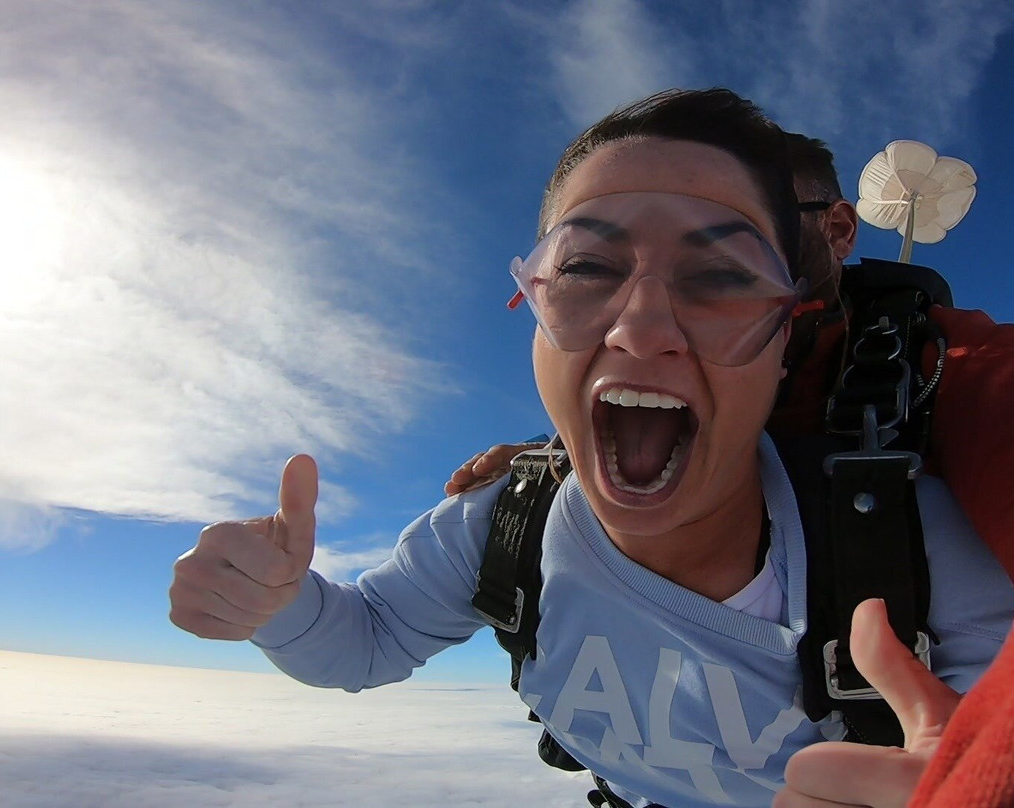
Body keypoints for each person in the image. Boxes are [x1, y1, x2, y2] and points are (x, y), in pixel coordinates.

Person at [168, 89, 1014, 808]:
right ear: (531, 308)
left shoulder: (914, 547)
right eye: (584, 270)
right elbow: (367, 638)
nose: (641, 328)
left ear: (788, 329)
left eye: (722, 275)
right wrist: (276, 606)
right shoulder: (507, 519)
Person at [442, 127, 1014, 807]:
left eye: (738, 236)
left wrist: (976, 784)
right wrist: (561, 459)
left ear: (836, 230)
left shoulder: (966, 373)